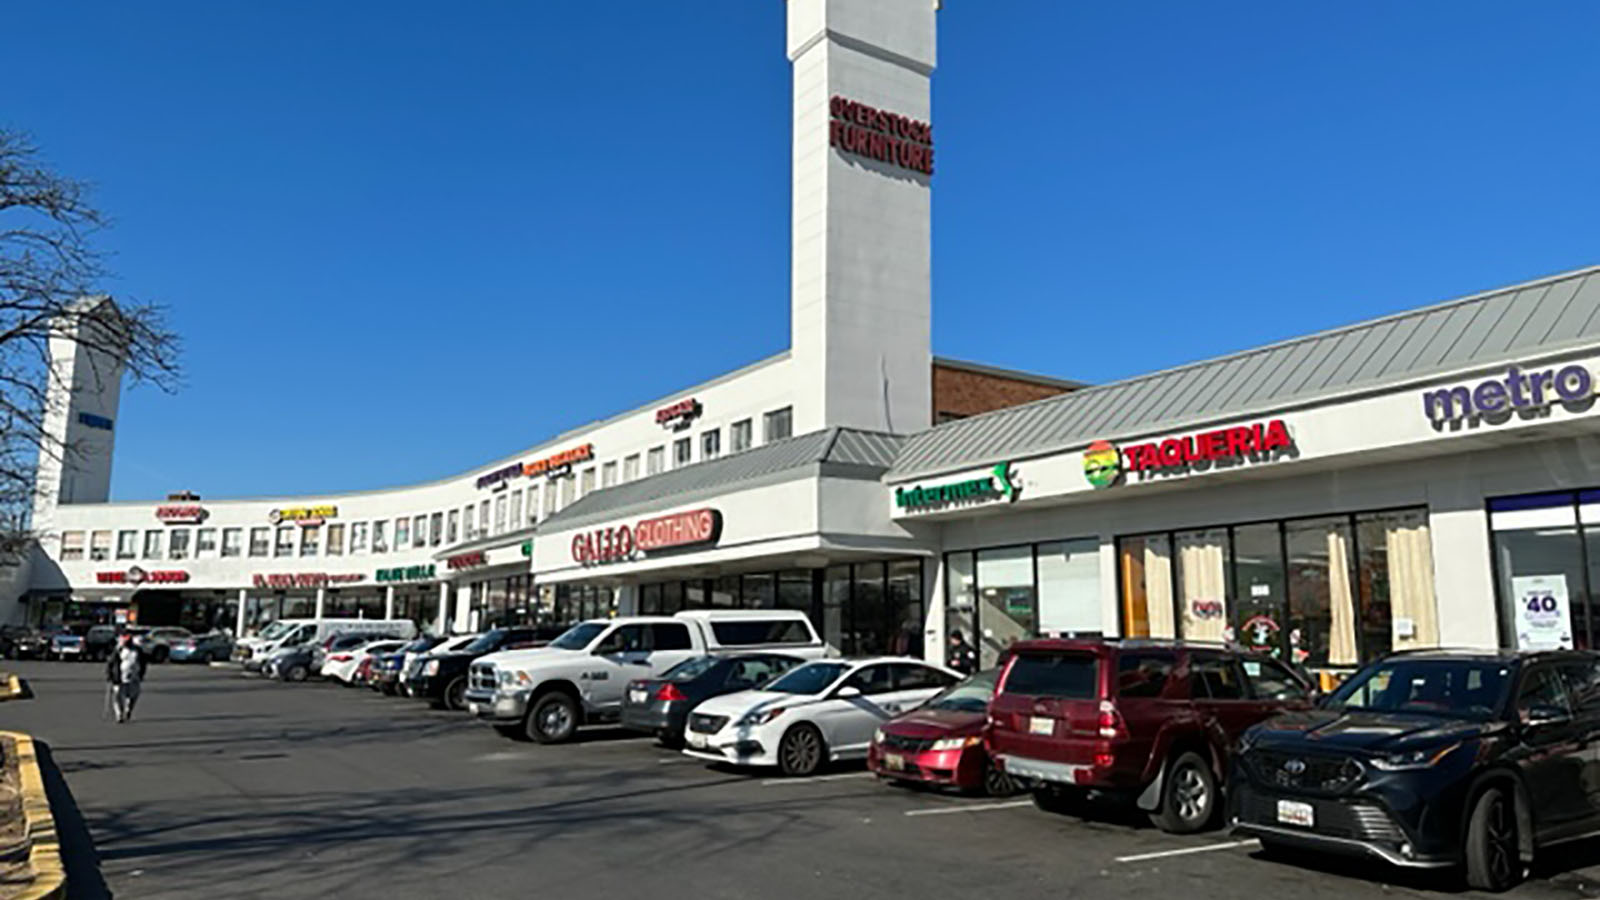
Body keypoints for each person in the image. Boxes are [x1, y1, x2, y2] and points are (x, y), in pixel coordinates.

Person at [106, 632, 147, 723]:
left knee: (133, 696)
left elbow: (143, 663)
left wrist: (141, 674)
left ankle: (128, 710)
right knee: (118, 696)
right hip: (120, 678)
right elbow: (111, 663)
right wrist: (110, 675)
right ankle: (119, 715)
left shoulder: (137, 650)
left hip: (134, 677)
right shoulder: (118, 650)